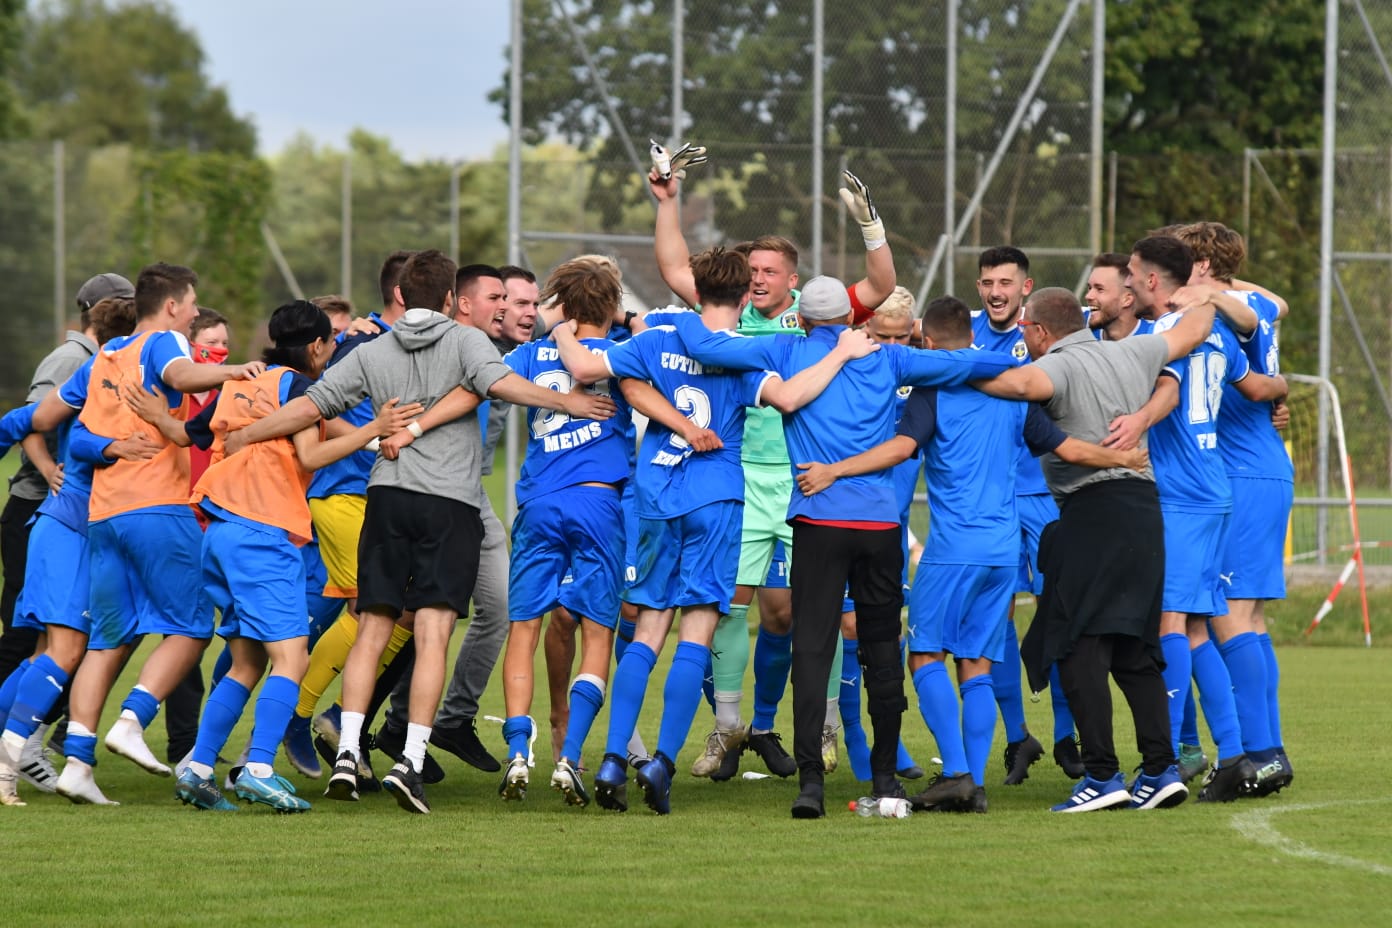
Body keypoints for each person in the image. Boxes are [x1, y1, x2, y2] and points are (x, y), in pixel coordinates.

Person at [225, 249, 615, 814]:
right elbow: (500, 385)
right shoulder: (466, 342)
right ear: (453, 299)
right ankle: (409, 759)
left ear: (401, 296)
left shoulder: (374, 350)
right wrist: (567, 402)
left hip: (384, 498)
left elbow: (311, 404)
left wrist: (249, 434)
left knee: (372, 628)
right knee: (432, 633)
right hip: (448, 502)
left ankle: (347, 753)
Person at [660, 276, 1015, 818]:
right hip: (879, 528)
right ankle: (886, 780)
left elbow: (706, 345)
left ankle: (809, 786)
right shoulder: (889, 359)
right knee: (881, 654)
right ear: (852, 320)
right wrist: (1029, 363)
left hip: (819, 523)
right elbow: (969, 365)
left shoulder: (785, 347)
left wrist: (661, 324)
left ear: (801, 318)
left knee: (812, 649)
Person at [552, 250, 879, 815]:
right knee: (697, 631)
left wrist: (558, 328)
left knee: (649, 627)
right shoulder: (749, 352)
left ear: (695, 287)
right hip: (719, 497)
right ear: (745, 293)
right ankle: (662, 761)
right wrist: (844, 352)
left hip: (657, 494)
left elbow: (589, 372)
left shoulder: (659, 333)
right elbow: (791, 397)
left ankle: (611, 758)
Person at [797, 295, 1148, 814]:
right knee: (977, 665)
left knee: (924, 656)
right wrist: (1122, 457)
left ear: (930, 344)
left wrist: (835, 470)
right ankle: (975, 784)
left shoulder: (934, 390)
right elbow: (1068, 448)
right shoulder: (1012, 394)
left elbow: (898, 450)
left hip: (953, 550)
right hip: (1003, 552)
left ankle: (958, 773)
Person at [653, 166, 897, 782]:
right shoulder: (728, 316)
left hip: (802, 479)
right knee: (729, 603)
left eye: (768, 272)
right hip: (737, 478)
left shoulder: (816, 320)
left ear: (794, 280)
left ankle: (816, 723)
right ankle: (728, 728)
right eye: (751, 271)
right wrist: (668, 199)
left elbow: (881, 284)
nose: (757, 279)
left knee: (794, 613)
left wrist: (870, 225)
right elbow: (675, 269)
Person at [129, 300, 419, 812]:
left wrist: (371, 432)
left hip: (219, 530)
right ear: (315, 346)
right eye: (329, 345)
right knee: (292, 656)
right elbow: (309, 454)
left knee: (246, 662)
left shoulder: (239, 383)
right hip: (262, 531)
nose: (331, 353)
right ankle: (259, 767)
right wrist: (375, 428)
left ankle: (197, 767)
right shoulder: (303, 388)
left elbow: (208, 436)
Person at [974, 286, 1221, 812]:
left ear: (1041, 331)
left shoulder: (1058, 367)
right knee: (1136, 651)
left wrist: (943, 364)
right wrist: (1206, 293)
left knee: (1077, 646)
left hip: (1092, 512)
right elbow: (1196, 327)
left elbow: (1019, 383)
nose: (1023, 337)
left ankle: (1103, 778)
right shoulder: (1131, 349)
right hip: (1145, 511)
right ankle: (1160, 769)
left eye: (1026, 330)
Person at [56, 263, 264, 803]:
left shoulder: (106, 355)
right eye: (192, 302)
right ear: (171, 305)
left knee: (107, 640)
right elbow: (179, 375)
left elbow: (75, 432)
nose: (196, 312)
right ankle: (133, 720)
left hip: (104, 515)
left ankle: (77, 764)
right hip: (156, 506)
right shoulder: (163, 341)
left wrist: (109, 448)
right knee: (193, 626)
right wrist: (232, 370)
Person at [1112, 235, 1286, 803]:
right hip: (1216, 489)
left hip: (1184, 495)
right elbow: (1257, 384)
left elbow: (1168, 385)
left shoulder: (1166, 334)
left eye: (1132, 274)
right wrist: (1282, 389)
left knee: (1173, 627)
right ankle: (1238, 753)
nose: (1127, 281)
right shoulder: (1218, 332)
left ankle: (1165, 765)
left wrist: (1137, 422)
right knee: (1198, 626)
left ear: (1156, 281)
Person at [493, 258, 637, 806]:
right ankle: (571, 756)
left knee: (523, 629)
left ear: (560, 303)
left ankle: (517, 752)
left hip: (537, 505)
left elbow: (486, 379)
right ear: (610, 305)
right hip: (598, 504)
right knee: (597, 634)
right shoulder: (621, 355)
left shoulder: (527, 355)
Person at [0, 296, 139, 805]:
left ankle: (21, 753)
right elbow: (32, 421)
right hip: (68, 529)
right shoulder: (98, 379)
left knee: (43, 652)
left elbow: (24, 421)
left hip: (70, 529)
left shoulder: (112, 378)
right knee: (66, 651)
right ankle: (8, 762)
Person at [1173, 221, 1295, 795]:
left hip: (1242, 473)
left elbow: (1250, 314)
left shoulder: (1226, 308)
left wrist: (1211, 290)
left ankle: (1257, 755)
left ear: (1196, 266)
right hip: (1266, 467)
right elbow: (1278, 303)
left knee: (1227, 619)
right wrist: (1215, 281)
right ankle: (1269, 752)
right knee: (1252, 621)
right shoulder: (1249, 297)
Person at [1086, 253, 1149, 341]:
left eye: (1100, 289)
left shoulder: (1155, 335)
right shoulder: (1076, 323)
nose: (1088, 296)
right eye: (1089, 288)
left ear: (1127, 299)